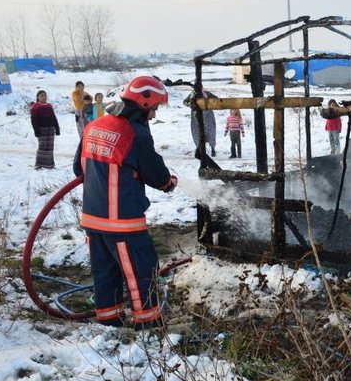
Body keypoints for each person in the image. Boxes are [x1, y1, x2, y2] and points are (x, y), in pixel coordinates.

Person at [73, 76, 178, 330]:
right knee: (141, 271)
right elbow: (156, 175)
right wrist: (168, 182)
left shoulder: (94, 126)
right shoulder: (134, 133)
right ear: (144, 105)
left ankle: (109, 320)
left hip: (92, 220)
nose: (154, 115)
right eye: (154, 109)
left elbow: (78, 169)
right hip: (122, 222)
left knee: (105, 273)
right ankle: (148, 324)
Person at [30, 90, 60, 169]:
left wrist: (57, 128)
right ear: (38, 97)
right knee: (42, 146)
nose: (44, 97)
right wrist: (36, 130)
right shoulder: (35, 106)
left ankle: (49, 164)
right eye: (41, 96)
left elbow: (53, 117)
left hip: (50, 129)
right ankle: (39, 164)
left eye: (45, 95)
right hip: (41, 129)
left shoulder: (49, 106)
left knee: (50, 146)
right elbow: (33, 120)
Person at [184, 90, 217, 158]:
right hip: (196, 116)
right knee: (197, 133)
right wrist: (190, 104)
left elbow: (216, 99)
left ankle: (212, 149)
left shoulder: (206, 93)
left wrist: (209, 103)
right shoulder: (192, 94)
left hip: (208, 116)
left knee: (210, 133)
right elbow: (185, 102)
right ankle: (199, 149)